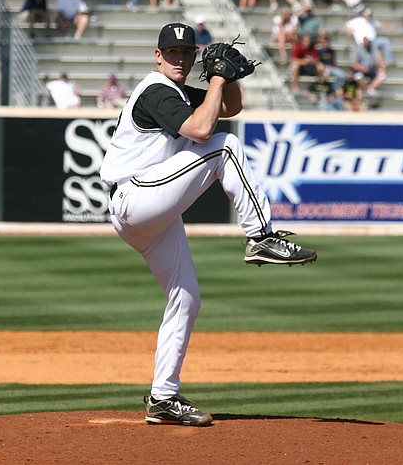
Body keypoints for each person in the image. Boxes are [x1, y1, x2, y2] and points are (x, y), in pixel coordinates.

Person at [99, 22, 317, 426]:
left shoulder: (180, 91)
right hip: (135, 196)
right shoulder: (156, 90)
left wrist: (227, 78)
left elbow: (229, 108)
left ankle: (163, 399)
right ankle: (261, 237)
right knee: (225, 147)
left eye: (187, 53)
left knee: (186, 298)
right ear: (158, 54)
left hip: (150, 214)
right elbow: (203, 129)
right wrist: (217, 76)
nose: (181, 59)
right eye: (173, 52)